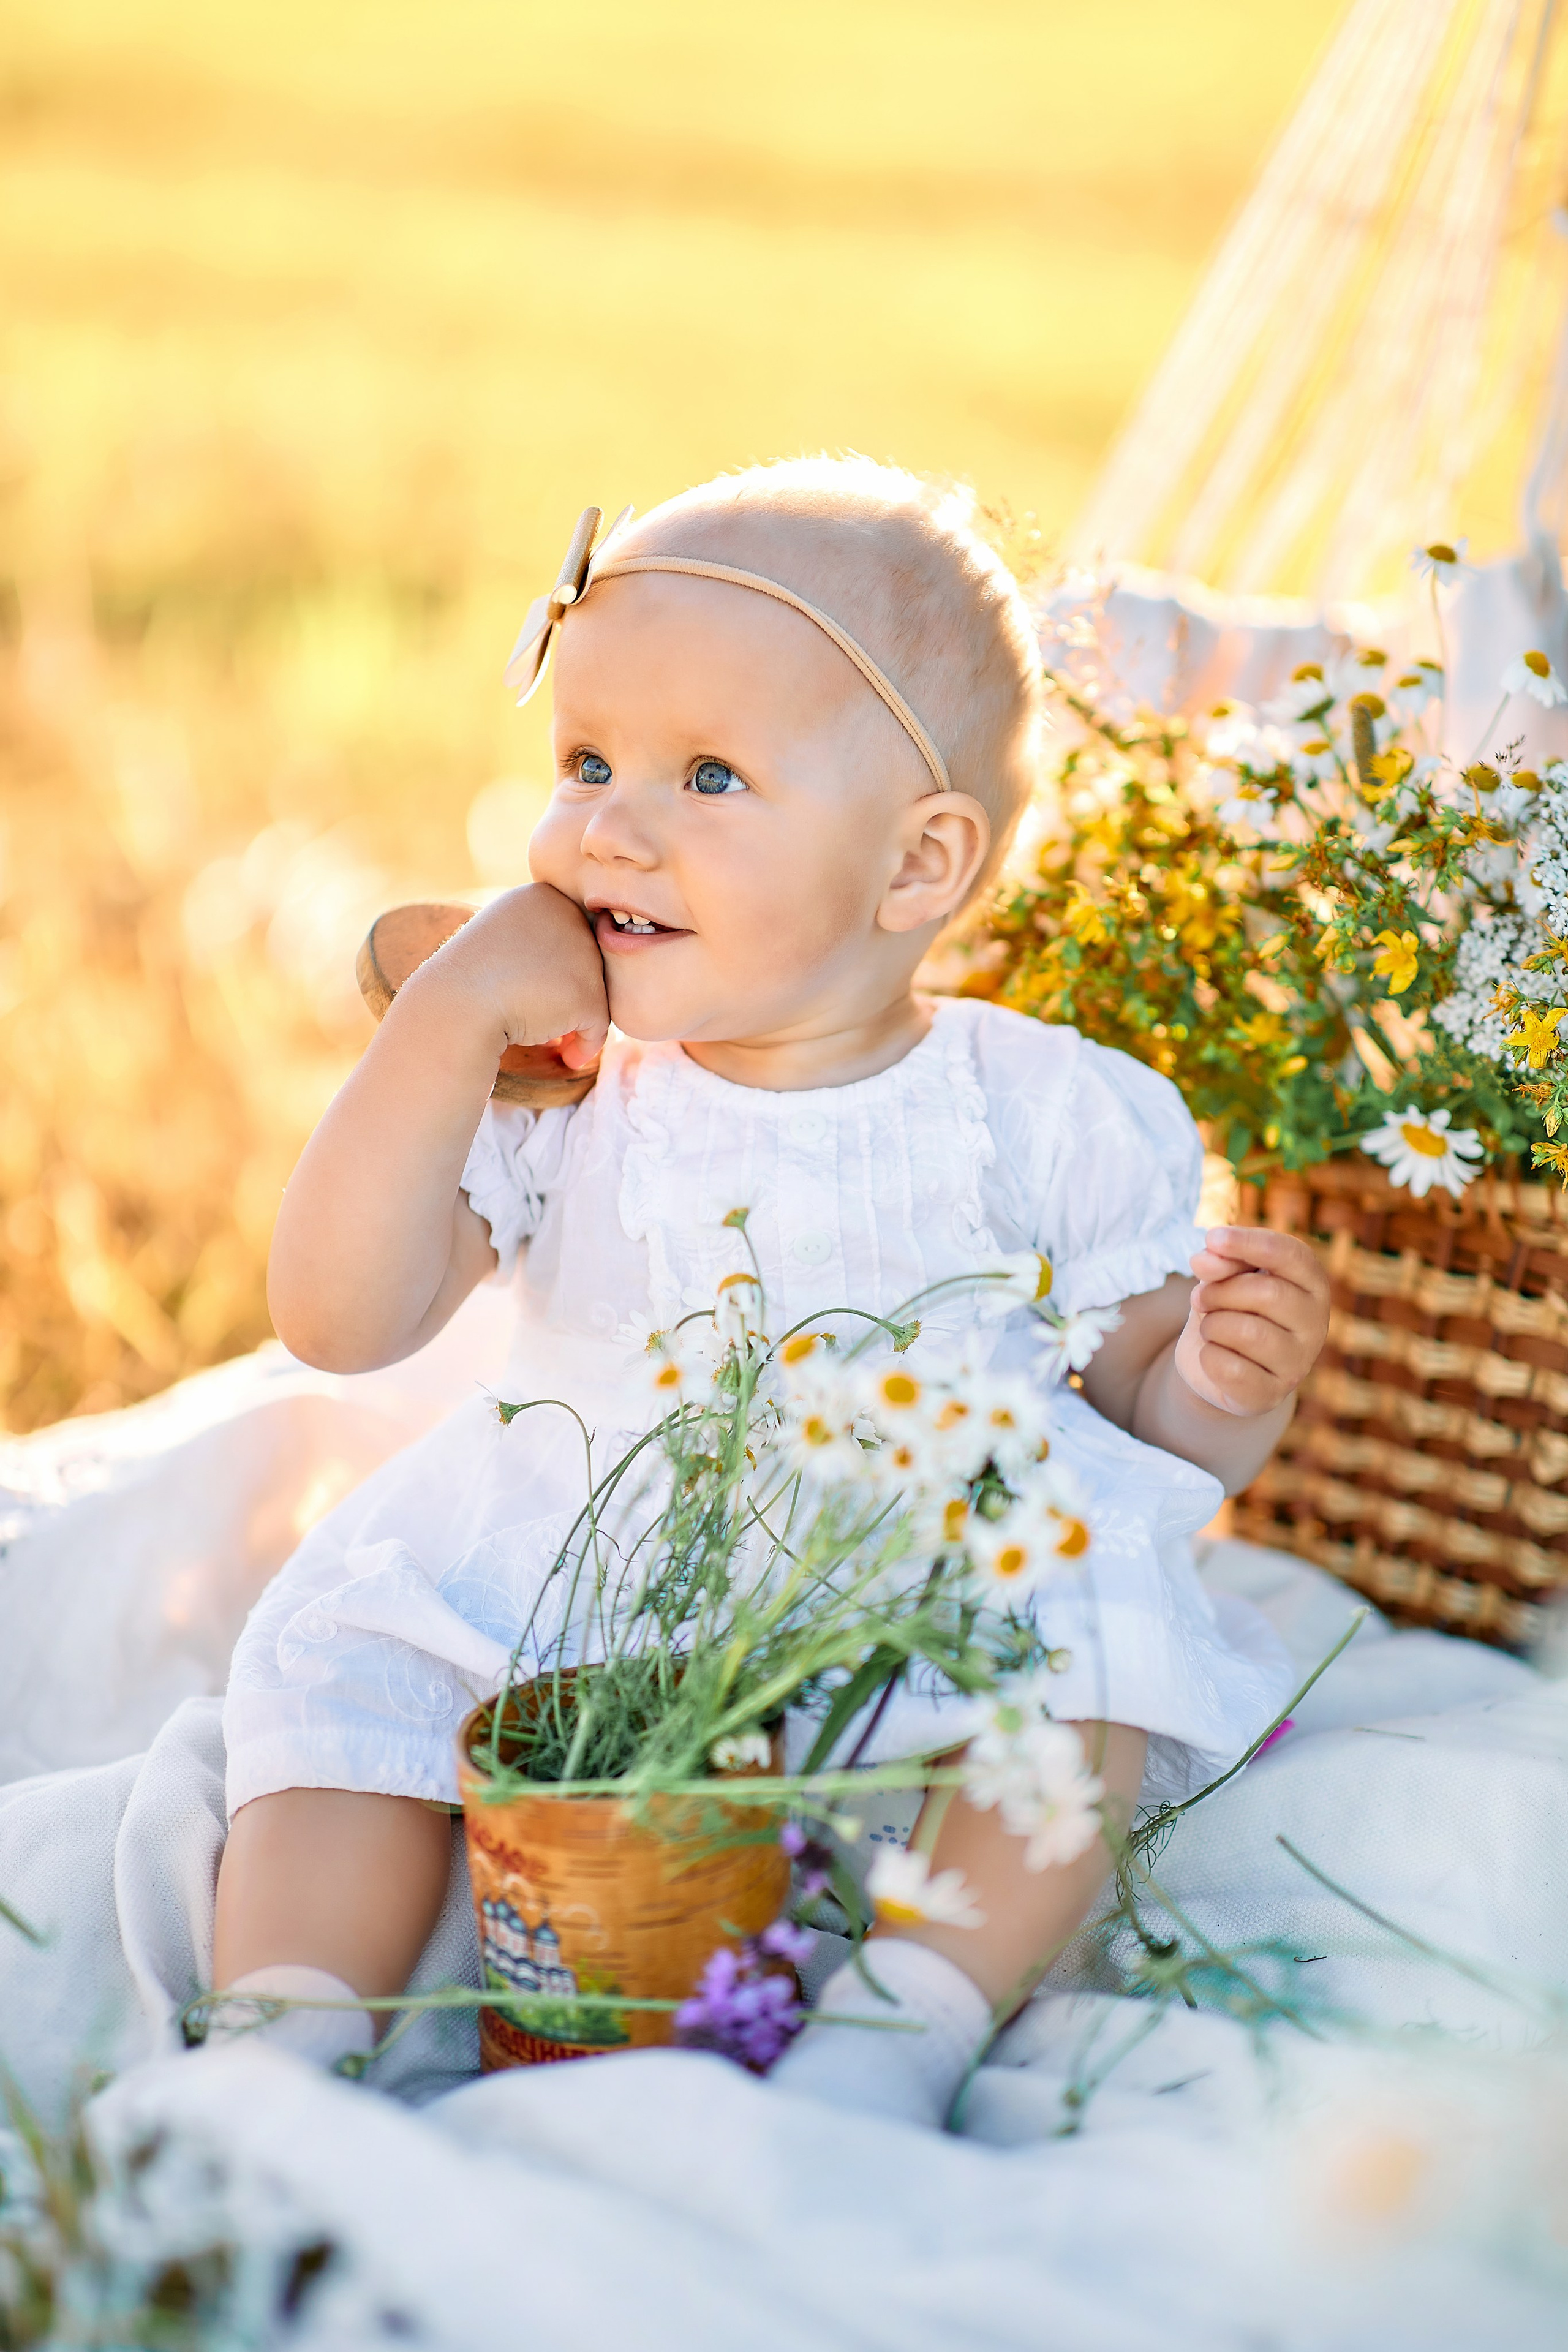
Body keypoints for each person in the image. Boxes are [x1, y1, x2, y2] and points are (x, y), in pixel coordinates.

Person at [211, 456, 1329, 2122]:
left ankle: (903, 2022)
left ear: (916, 865)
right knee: (352, 1663)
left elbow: (1143, 1447)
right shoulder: (566, 1080)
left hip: (911, 1597)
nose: (607, 824)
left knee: (1087, 1667)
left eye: (708, 775)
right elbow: (340, 1317)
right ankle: (285, 2040)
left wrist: (1223, 1393)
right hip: (576, 1572)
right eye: (583, 760)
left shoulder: (1044, 1110)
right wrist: (441, 1023)